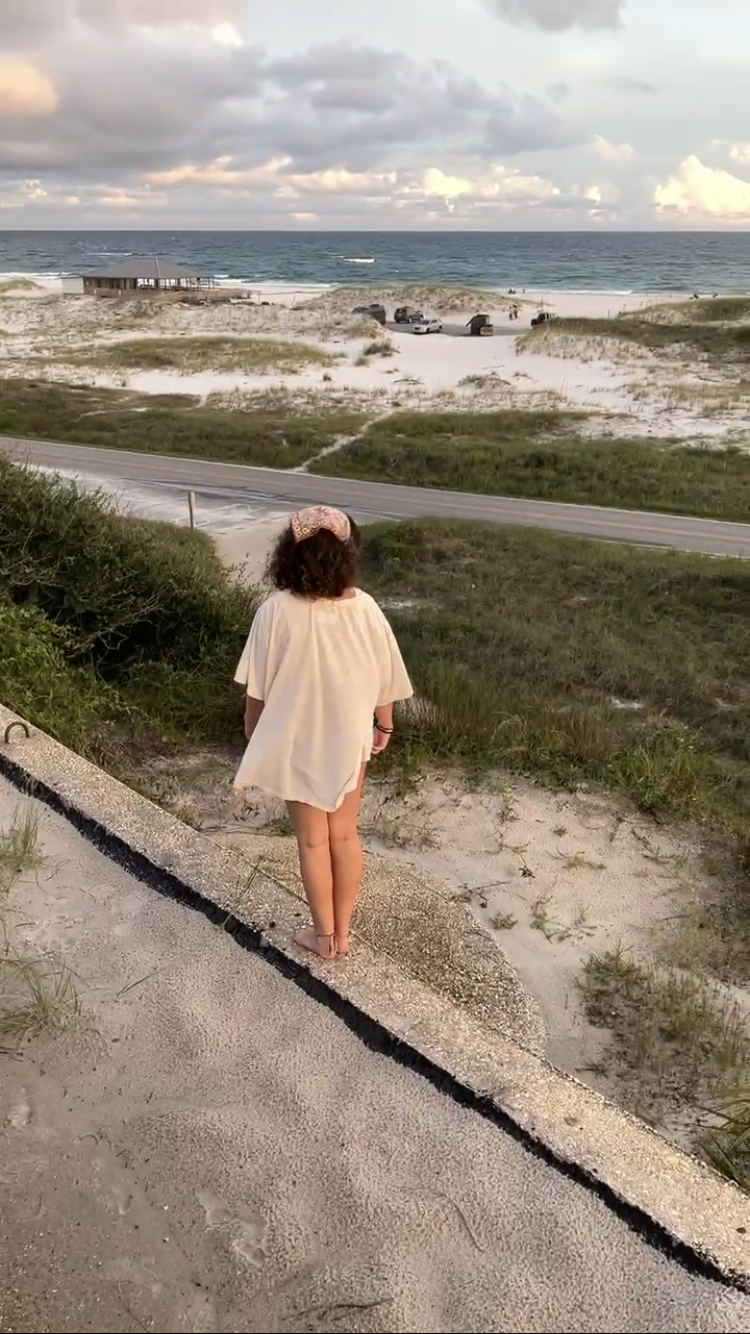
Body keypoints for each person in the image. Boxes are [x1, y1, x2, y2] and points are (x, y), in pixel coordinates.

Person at [233, 506, 413, 961]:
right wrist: (384, 723)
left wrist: (253, 730)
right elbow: (385, 675)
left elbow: (257, 686)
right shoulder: (366, 607)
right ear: (346, 556)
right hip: (350, 735)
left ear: (289, 556)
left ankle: (323, 935)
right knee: (344, 835)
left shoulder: (274, 611)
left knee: (312, 841)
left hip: (297, 740)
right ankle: (343, 934)